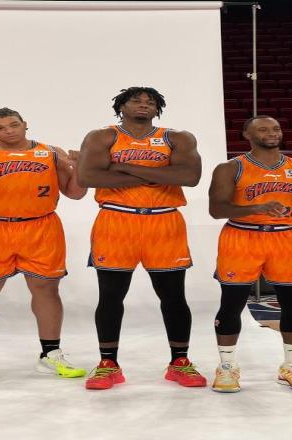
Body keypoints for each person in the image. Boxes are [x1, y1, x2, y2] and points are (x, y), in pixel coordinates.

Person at [78, 87, 206, 390]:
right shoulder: (102, 136)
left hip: (164, 220)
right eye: (136, 100)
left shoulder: (177, 137)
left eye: (150, 102)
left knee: (173, 296)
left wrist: (122, 167)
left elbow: (189, 177)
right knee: (111, 296)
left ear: (158, 109)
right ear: (121, 106)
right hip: (116, 219)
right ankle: (108, 364)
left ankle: (180, 362)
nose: (144, 105)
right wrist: (160, 173)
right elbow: (89, 177)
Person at [0, 108, 87, 382]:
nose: (8, 131)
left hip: (40, 226)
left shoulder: (50, 152)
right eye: (0, 128)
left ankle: (50, 354)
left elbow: (75, 193)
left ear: (25, 124)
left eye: (13, 125)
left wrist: (79, 168)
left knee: (47, 290)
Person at [209, 115, 292, 393]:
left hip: (286, 237)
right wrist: (255, 208)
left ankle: (291, 365)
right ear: (247, 134)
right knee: (232, 303)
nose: (272, 133)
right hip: (242, 236)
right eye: (263, 129)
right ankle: (227, 366)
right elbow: (216, 209)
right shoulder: (230, 168)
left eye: (276, 128)